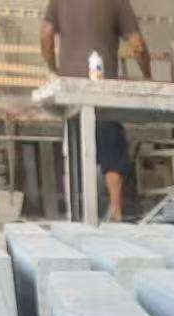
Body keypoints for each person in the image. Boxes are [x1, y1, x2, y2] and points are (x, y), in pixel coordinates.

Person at [41, 0, 151, 221]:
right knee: (112, 151)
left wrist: (54, 70)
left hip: (71, 94)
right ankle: (116, 214)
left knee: (75, 152)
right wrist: (148, 76)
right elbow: (138, 46)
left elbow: (46, 35)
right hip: (101, 92)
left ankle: (77, 217)